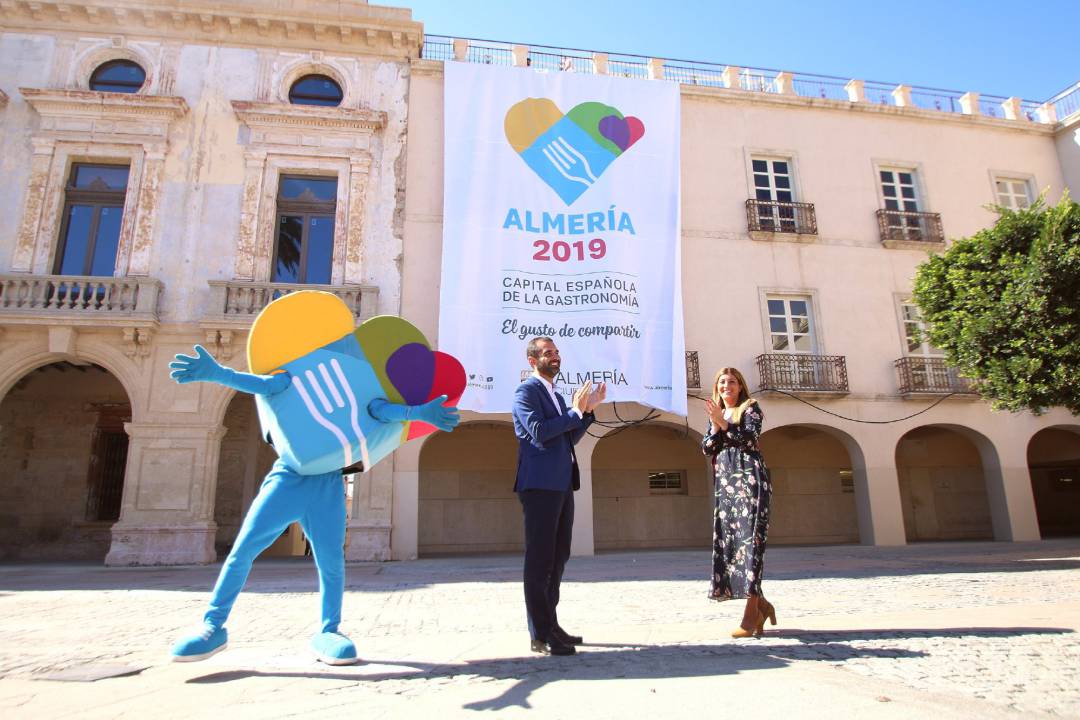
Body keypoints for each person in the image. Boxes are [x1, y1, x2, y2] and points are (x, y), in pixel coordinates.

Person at [168, 345, 459, 664]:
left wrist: (418, 413)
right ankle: (213, 626)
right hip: (288, 479)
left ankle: (329, 630)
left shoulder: (358, 379)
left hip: (329, 485)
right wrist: (218, 374)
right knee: (244, 550)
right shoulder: (296, 374)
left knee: (331, 562)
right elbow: (264, 385)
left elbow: (380, 411)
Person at [512, 337, 605, 656]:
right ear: (532, 360)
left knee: (559, 556)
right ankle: (540, 633)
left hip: (563, 483)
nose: (555, 357)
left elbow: (567, 438)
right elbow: (539, 431)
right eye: (547, 353)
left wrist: (586, 413)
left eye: (557, 352)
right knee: (540, 560)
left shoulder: (555, 395)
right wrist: (574, 412)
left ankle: (551, 623)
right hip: (539, 485)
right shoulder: (526, 392)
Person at [702, 366, 776, 638]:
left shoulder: (750, 408)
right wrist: (715, 425)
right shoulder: (716, 414)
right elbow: (707, 447)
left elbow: (748, 438)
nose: (726, 386)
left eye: (732, 382)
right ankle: (762, 605)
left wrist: (723, 425)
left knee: (751, 545)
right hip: (727, 487)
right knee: (734, 546)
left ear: (740, 386)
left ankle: (751, 614)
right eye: (722, 382)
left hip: (750, 482)